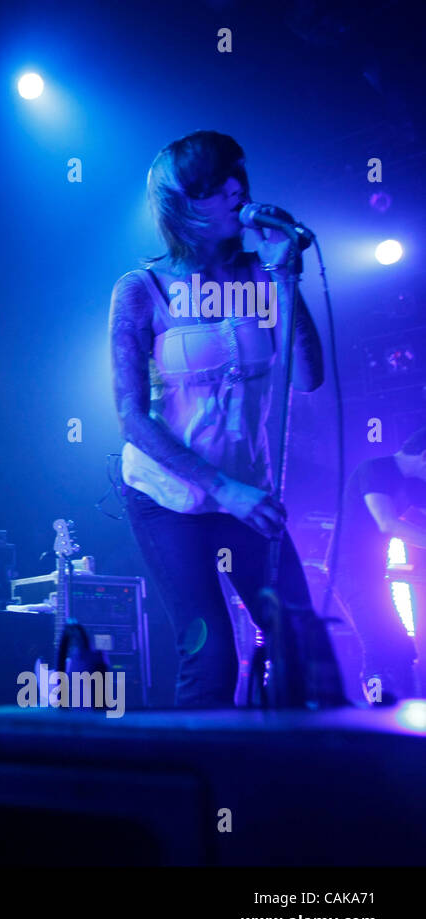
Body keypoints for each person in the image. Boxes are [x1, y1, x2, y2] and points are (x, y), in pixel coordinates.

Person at [108, 130, 343, 708]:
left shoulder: (263, 280)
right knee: (209, 653)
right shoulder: (142, 290)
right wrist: (222, 489)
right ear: (180, 204)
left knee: (299, 641)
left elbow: (308, 376)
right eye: (215, 186)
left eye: (239, 178)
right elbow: (131, 417)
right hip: (170, 499)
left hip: (248, 492)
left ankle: (311, 783)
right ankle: (202, 788)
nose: (237, 191)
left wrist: (288, 276)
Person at [331, 427, 426, 702]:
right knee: (378, 647)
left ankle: (409, 712)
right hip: (347, 571)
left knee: (402, 649)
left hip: (373, 575)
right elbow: (388, 523)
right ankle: (379, 721)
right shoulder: (375, 469)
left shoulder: (412, 484)